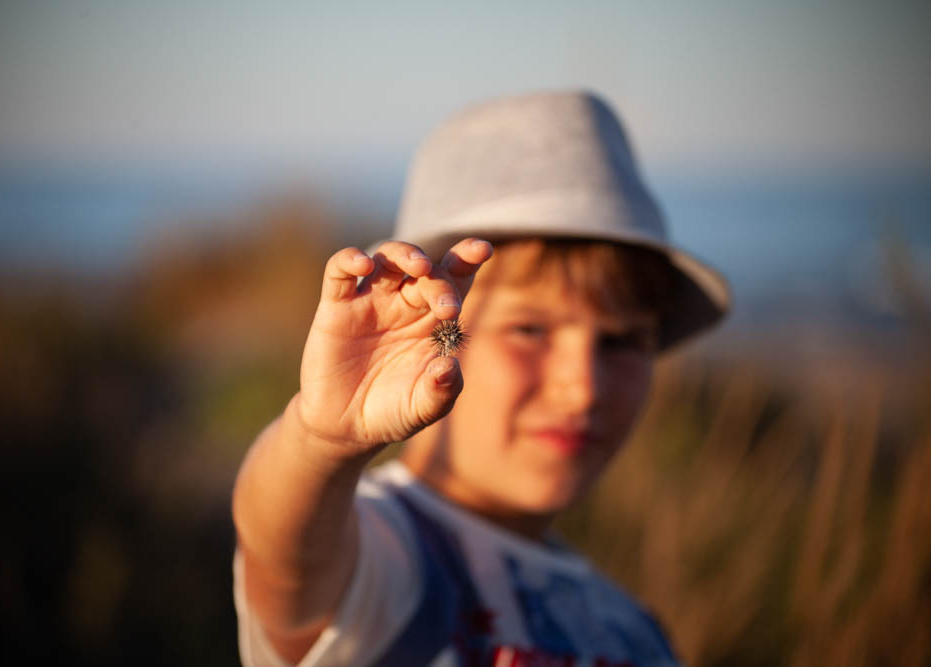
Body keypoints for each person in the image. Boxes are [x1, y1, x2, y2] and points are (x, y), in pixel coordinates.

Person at [231, 90, 730, 666]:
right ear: (420, 329)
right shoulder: (388, 560)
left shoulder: (636, 631)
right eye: (529, 329)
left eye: (620, 342)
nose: (582, 386)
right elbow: (284, 554)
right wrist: (321, 440)